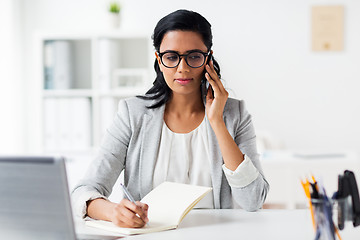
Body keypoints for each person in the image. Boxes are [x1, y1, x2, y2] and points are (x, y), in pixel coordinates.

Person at [72, 9, 269, 228]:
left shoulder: (235, 114)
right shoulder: (133, 114)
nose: (182, 69)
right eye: (172, 57)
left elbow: (253, 201)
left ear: (208, 59)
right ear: (159, 59)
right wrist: (113, 212)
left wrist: (217, 123)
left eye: (194, 56)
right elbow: (84, 191)